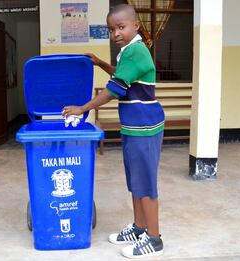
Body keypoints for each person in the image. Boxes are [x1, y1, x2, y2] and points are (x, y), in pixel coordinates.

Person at [62, 4, 165, 259]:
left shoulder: (137, 52)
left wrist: (81, 108)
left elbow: (113, 90)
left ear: (135, 26)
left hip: (145, 128)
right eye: (111, 29)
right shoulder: (127, 52)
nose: (116, 33)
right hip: (133, 128)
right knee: (135, 182)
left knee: (146, 184)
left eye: (121, 27)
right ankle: (139, 228)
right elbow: (121, 77)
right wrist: (100, 64)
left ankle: (154, 239)